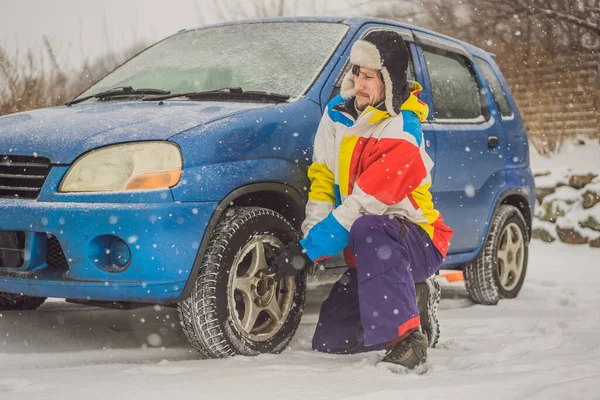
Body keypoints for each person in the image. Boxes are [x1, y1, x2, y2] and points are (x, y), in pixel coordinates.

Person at [272, 30, 453, 370]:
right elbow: (323, 179)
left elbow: (366, 204)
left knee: (370, 227)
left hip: (415, 239)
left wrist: (309, 250)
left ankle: (408, 340)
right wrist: (312, 237)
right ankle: (408, 299)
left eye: (369, 76)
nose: (359, 83)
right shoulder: (336, 116)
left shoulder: (402, 130)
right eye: (356, 72)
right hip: (371, 248)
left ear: (390, 80)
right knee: (331, 341)